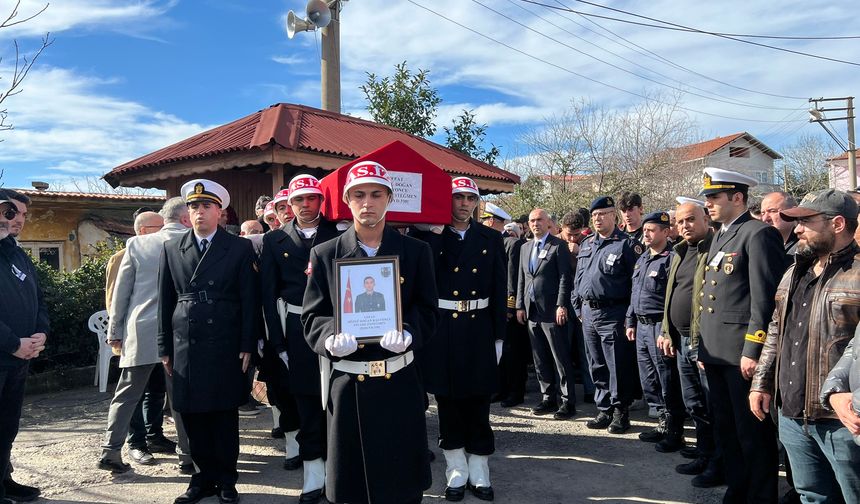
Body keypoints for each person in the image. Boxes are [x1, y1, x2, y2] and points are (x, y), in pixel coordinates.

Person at [302, 161, 438, 504]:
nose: (368, 203)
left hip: (399, 380)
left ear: (389, 198)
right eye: (359, 194)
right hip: (350, 384)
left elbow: (428, 309)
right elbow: (312, 315)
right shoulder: (325, 253)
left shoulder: (416, 252)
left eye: (377, 194)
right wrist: (330, 336)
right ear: (347, 200)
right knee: (353, 486)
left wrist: (409, 331)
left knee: (401, 484)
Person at [750, 189, 860, 503]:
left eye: (806, 221)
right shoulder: (793, 272)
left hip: (841, 421)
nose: (796, 229)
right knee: (811, 496)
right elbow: (776, 331)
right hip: (792, 415)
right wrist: (762, 382)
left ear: (837, 224)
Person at [158, 179, 259, 504]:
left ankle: (227, 480)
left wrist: (247, 343)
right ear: (187, 214)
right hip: (186, 339)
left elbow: (249, 298)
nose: (199, 212)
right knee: (191, 414)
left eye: (206, 206)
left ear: (220, 212)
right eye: (193, 207)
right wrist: (164, 347)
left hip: (225, 338)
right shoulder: (173, 248)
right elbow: (165, 299)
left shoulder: (239, 248)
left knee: (224, 413)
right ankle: (201, 480)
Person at [414, 177, 506, 502]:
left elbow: (498, 289)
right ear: (447, 201)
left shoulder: (491, 238)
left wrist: (499, 336)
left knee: (480, 401)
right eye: (458, 197)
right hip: (443, 328)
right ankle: (456, 469)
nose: (464, 203)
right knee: (449, 403)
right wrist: (435, 235)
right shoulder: (429, 238)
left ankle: (479, 468)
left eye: (470, 197)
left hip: (479, 327)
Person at [698, 167, 785, 503]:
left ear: (738, 197)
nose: (709, 204)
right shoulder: (721, 235)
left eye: (715, 197)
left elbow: (765, 299)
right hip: (716, 352)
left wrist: (753, 349)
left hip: (740, 353)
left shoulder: (758, 234)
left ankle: (761, 496)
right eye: (707, 198)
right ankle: (738, 489)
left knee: (752, 433)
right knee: (727, 428)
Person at [261, 173, 339, 503]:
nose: (305, 206)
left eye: (311, 199)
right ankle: (313, 473)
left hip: (334, 328)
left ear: (321, 201)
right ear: (288, 205)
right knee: (305, 403)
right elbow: (268, 295)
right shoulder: (274, 241)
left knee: (336, 403)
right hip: (295, 330)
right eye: (298, 200)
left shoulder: (340, 236)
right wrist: (278, 343)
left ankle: (337, 472)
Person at [99, 202, 193, 474]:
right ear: (185, 217)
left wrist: (114, 331)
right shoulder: (195, 241)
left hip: (141, 329)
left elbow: (121, 294)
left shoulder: (137, 245)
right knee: (180, 396)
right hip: (181, 330)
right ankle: (187, 456)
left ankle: (110, 449)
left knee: (127, 394)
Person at [657, 202, 723, 487]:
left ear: (706, 219)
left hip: (703, 342)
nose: (685, 226)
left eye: (691, 220)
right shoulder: (679, 252)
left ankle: (717, 462)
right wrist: (666, 332)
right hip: (681, 338)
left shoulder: (715, 249)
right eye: (680, 221)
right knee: (694, 402)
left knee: (712, 404)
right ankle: (704, 453)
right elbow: (670, 295)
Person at [573, 196, 640, 433]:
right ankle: (604, 409)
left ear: (614, 216)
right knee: (597, 363)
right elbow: (578, 279)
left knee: (617, 365)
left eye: (603, 214)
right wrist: (577, 306)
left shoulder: (626, 244)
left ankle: (621, 411)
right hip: (588, 313)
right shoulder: (588, 243)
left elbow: (636, 284)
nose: (598, 219)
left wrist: (630, 316)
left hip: (614, 312)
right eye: (594, 216)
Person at [0, 192, 48, 504]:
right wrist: (13, 343)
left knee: (6, 426)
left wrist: (41, 332)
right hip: (6, 353)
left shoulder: (15, 252)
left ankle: (3, 480)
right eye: (10, 211)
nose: (18, 218)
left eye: (23, 214)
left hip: (18, 360)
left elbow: (37, 298)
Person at [516, 208, 575, 420]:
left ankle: (567, 401)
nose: (535, 224)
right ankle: (548, 397)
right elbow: (522, 278)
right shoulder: (525, 248)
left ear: (548, 221)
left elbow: (564, 278)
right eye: (532, 220)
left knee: (559, 357)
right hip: (531, 311)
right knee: (539, 358)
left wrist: (562, 305)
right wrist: (519, 306)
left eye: (539, 220)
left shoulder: (558, 246)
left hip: (552, 311)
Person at [625, 211, 673, 444]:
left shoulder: (671, 258)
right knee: (648, 377)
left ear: (665, 232)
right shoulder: (642, 258)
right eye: (644, 230)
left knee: (665, 375)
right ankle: (660, 419)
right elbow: (635, 293)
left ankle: (672, 425)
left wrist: (666, 330)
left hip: (658, 325)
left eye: (651, 230)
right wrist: (630, 320)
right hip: (641, 325)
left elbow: (671, 300)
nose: (646, 233)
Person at [484, 203, 530, 408]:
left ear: (492, 221)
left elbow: (514, 277)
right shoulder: (488, 242)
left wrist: (510, 306)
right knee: (498, 350)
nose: (483, 223)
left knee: (513, 352)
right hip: (492, 306)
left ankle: (515, 391)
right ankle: (500, 388)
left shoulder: (511, 243)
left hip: (508, 308)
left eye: (485, 220)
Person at [559, 210, 596, 404]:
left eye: (576, 234)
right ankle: (566, 391)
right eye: (568, 234)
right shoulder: (556, 242)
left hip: (583, 302)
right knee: (563, 348)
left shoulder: (589, 243)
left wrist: (579, 251)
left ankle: (591, 389)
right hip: (563, 302)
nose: (572, 238)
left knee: (585, 349)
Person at [760, 191, 799, 269]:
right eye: (763, 213)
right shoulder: (764, 244)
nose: (765, 219)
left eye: (772, 211)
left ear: (793, 211)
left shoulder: (804, 246)